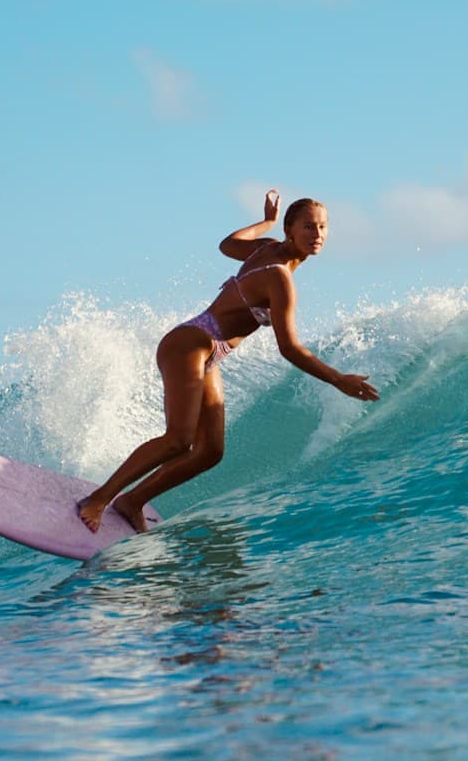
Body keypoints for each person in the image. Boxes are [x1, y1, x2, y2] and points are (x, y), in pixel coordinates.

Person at [76, 190, 379, 534]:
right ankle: (98, 498)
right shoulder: (279, 276)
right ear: (290, 230)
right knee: (178, 439)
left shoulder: (265, 248)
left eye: (323, 227)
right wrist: (339, 380)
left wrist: (265, 222)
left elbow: (228, 243)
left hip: (208, 351)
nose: (318, 235)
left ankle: (132, 501)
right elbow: (290, 348)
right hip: (191, 343)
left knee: (209, 451)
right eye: (309, 227)